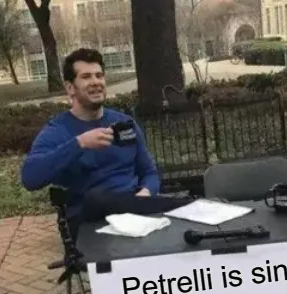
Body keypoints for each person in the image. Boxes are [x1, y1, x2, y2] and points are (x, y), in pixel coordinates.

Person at [21, 48, 190, 240]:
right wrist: (79, 143)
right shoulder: (57, 131)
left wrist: (145, 193)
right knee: (97, 198)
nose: (96, 82)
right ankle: (185, 205)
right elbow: (30, 178)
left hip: (136, 214)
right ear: (70, 88)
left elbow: (149, 172)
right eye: (86, 77)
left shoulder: (124, 124)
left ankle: (186, 207)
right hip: (90, 222)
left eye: (99, 75)